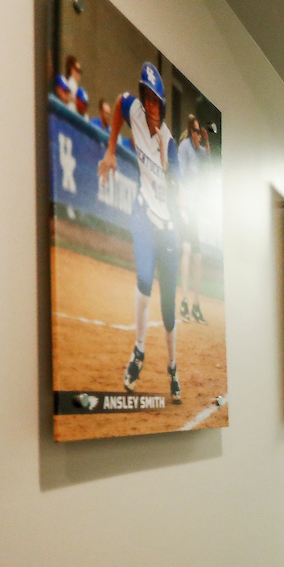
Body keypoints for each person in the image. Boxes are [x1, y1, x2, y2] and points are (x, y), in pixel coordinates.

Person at [97, 62, 182, 403]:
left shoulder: (170, 143)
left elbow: (178, 189)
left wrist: (170, 177)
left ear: (162, 104)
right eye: (146, 97)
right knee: (144, 280)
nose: (148, 105)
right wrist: (111, 149)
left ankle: (173, 367)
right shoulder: (131, 108)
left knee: (169, 309)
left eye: (154, 100)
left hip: (169, 228)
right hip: (143, 214)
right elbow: (117, 104)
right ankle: (139, 352)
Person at [177, 114, 208, 324]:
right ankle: (184, 301)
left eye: (200, 132)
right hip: (184, 205)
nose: (198, 135)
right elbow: (179, 176)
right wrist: (182, 209)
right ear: (191, 132)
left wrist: (207, 140)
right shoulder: (185, 148)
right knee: (187, 250)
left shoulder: (199, 152)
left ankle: (196, 305)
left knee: (198, 257)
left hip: (195, 208)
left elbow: (210, 160)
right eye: (196, 132)